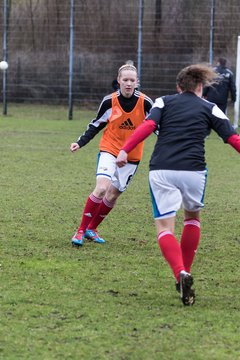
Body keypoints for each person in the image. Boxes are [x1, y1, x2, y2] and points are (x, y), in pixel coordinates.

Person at [116, 64, 240, 306]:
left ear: (178, 87)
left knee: (165, 227)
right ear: (200, 87)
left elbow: (148, 126)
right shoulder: (210, 107)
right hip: (194, 171)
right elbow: (232, 138)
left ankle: (180, 273)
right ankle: (186, 272)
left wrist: (124, 149)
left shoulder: (163, 102)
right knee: (192, 218)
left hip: (162, 169)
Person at [70, 62, 153, 247]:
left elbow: (156, 126)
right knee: (101, 189)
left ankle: (92, 228)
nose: (129, 83)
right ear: (119, 81)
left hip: (132, 156)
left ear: (137, 82)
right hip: (110, 149)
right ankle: (81, 230)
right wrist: (80, 142)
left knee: (113, 195)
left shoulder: (146, 102)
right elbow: (96, 124)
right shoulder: (109, 101)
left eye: (132, 80)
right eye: (125, 80)